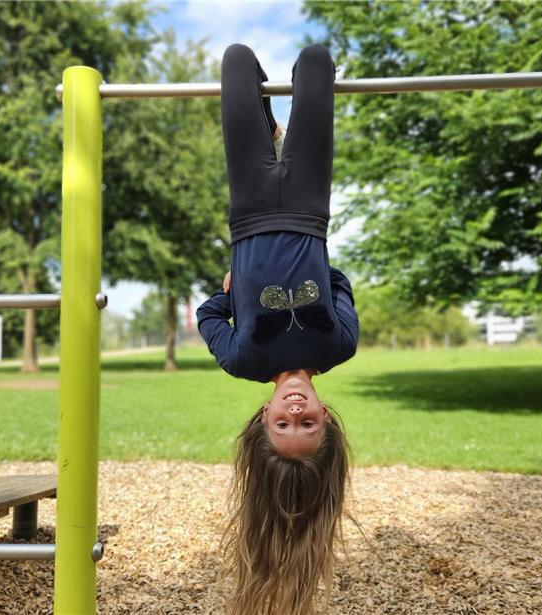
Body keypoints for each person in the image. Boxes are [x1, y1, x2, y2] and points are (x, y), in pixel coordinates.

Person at [196, 43, 359, 615]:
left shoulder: (243, 359)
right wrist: (320, 262)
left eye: (284, 422)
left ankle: (264, 130)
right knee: (315, 61)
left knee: (236, 60)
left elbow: (206, 316)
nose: (294, 407)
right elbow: (340, 286)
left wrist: (228, 290)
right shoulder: (339, 345)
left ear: (262, 419)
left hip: (249, 212)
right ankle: (276, 132)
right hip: (310, 208)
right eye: (307, 421)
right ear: (325, 416)